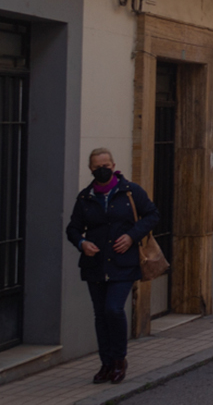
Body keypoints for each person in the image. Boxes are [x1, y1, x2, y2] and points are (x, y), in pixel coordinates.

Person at [66, 148, 160, 385]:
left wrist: (131, 236)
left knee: (113, 310)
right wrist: (82, 242)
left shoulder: (130, 192)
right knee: (100, 315)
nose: (102, 169)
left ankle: (119, 361)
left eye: (106, 165)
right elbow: (73, 229)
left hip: (123, 263)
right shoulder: (85, 197)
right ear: (90, 169)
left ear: (114, 165)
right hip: (95, 264)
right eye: (97, 166)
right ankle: (106, 364)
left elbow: (152, 215)